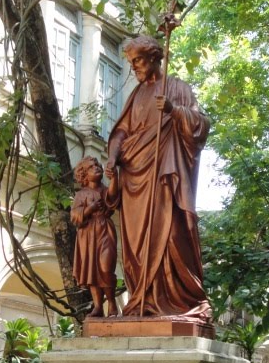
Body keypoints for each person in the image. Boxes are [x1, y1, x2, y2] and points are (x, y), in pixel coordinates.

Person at [104, 34, 211, 320]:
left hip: (166, 176)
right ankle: (143, 298)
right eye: (131, 62)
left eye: (137, 61)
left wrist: (174, 111)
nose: (134, 68)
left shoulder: (177, 88)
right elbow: (121, 132)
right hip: (134, 182)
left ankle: (179, 301)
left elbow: (201, 125)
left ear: (154, 57)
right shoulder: (136, 95)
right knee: (137, 244)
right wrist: (113, 158)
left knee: (172, 235)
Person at [71, 156, 120, 318]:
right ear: (84, 175)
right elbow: (75, 216)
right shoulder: (81, 194)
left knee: (106, 267)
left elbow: (112, 198)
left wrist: (114, 178)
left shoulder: (104, 190)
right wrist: (89, 209)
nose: (96, 168)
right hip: (87, 233)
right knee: (91, 270)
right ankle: (98, 306)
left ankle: (112, 303)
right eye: (91, 167)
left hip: (105, 229)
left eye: (97, 165)